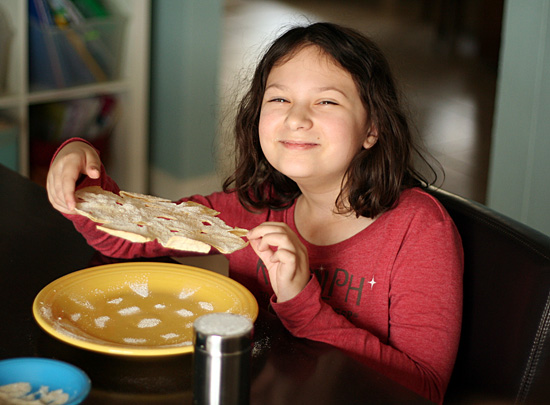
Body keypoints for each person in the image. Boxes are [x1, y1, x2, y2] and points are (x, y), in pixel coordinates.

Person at [47, 22, 463, 404]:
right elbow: (125, 240)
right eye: (279, 98)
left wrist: (303, 303)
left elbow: (424, 389)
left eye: (326, 101)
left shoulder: (419, 230)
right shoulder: (255, 207)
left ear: (372, 128)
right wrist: (80, 175)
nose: (297, 118)